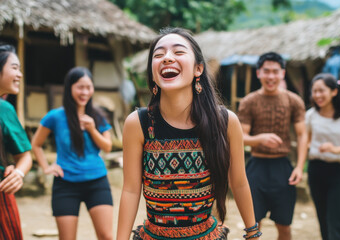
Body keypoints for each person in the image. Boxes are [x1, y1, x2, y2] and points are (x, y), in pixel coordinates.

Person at [116, 27, 261, 240]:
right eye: (158, 55)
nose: (166, 58)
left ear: (198, 69)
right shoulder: (139, 123)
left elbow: (239, 181)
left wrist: (253, 232)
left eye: (178, 52)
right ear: (153, 73)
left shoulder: (225, 121)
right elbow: (130, 189)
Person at [31, 67, 113, 240]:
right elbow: (36, 144)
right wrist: (46, 167)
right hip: (65, 184)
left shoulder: (98, 116)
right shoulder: (55, 116)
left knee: (106, 236)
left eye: (88, 87)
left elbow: (107, 147)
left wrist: (92, 129)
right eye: (80, 87)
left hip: (97, 182)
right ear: (70, 88)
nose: (85, 92)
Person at [237, 52, 307, 240]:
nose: (270, 76)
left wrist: (300, 167)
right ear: (258, 73)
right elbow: (240, 137)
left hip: (283, 168)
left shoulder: (294, 101)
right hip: (256, 168)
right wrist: (259, 138)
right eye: (266, 71)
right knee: (253, 227)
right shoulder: (249, 102)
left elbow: (302, 134)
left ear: (283, 73)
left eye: (275, 72)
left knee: (284, 226)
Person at [306, 73, 340, 240]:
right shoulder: (310, 115)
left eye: (322, 91)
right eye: (314, 91)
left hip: (338, 172)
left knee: (336, 220)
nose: (317, 95)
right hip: (315, 171)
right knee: (323, 221)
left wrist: (337, 150)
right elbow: (305, 142)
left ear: (334, 91)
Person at [0, 43, 32, 239]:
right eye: (14, 68)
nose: (19, 74)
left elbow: (25, 155)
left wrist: (18, 172)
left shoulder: (4, 109)